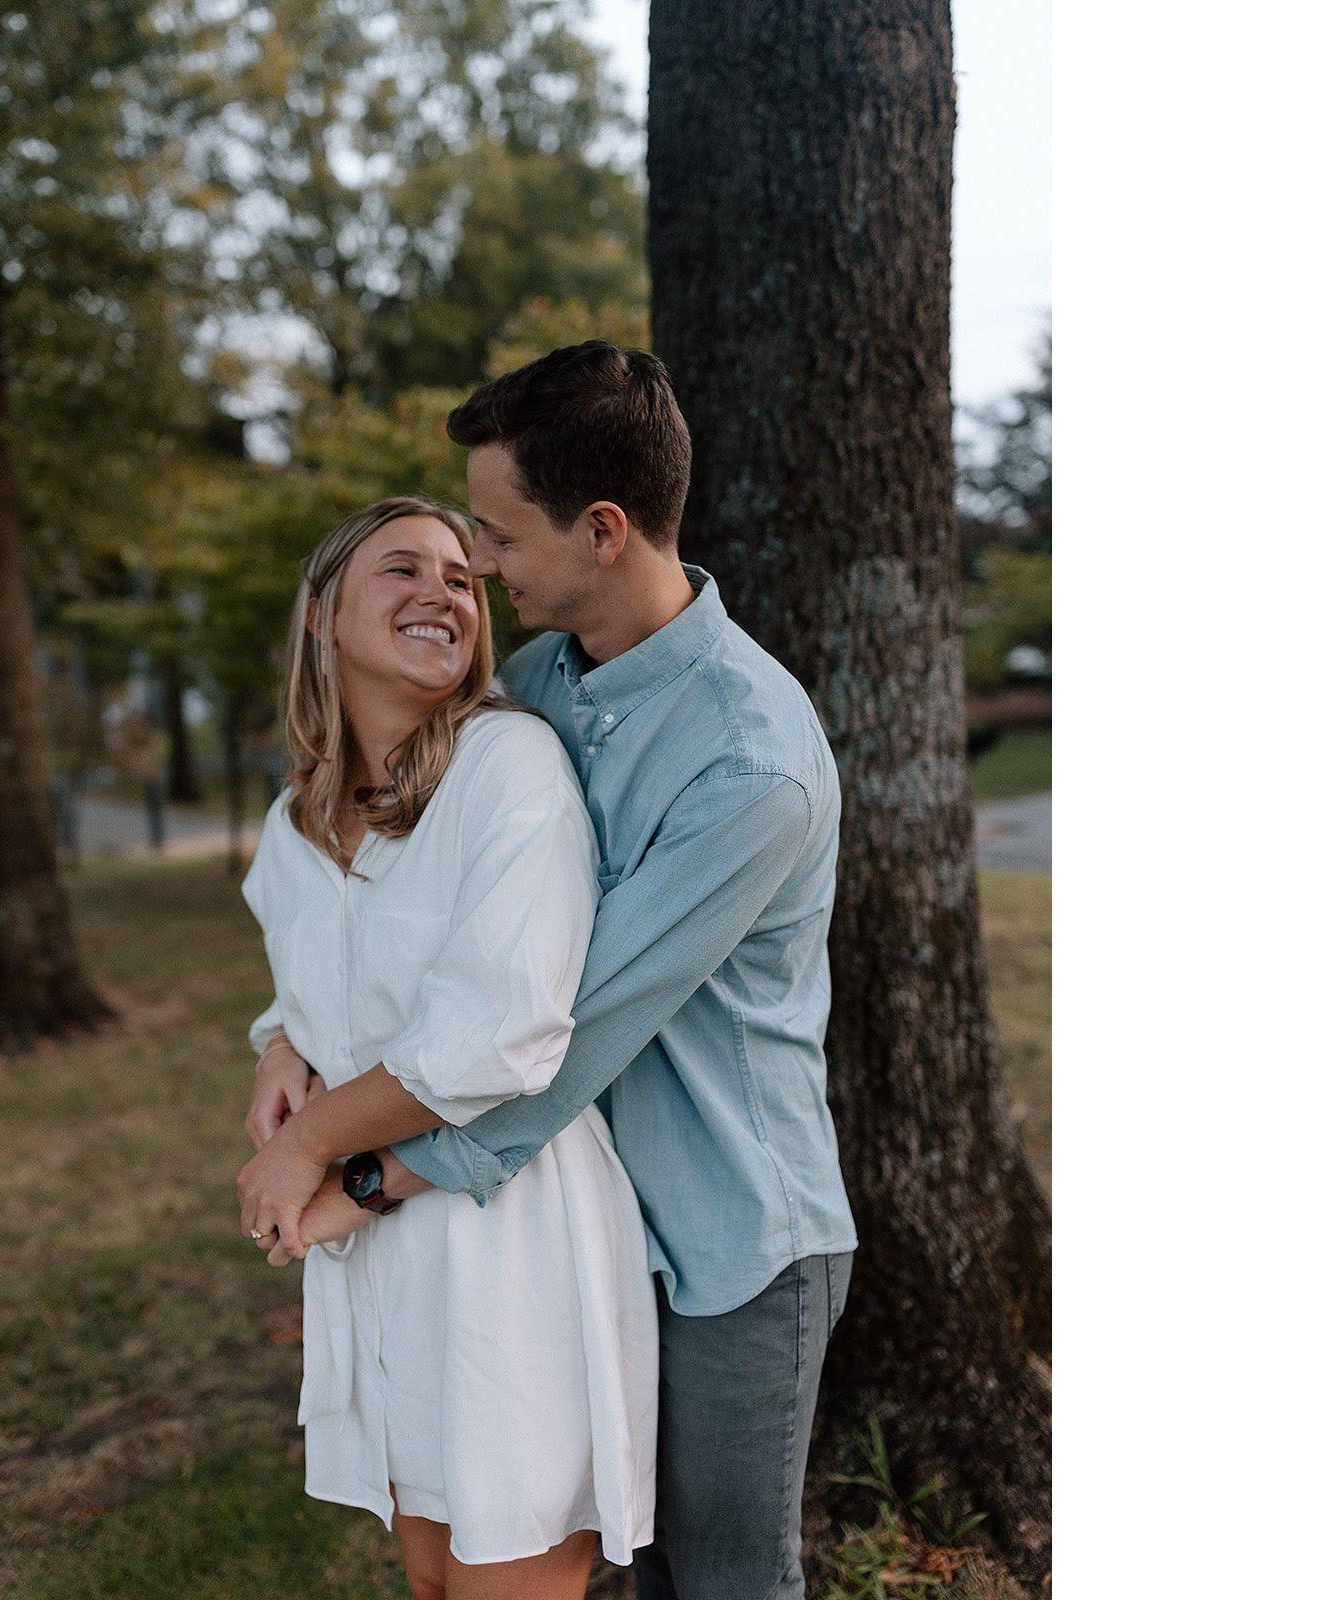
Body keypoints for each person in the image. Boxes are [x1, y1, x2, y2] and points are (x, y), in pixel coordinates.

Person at [241, 343, 859, 1600]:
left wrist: (362, 1170)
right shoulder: (535, 690)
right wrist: (282, 1034)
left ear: (601, 529)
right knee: (596, 1558)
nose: (479, 568)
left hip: (729, 1231)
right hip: (582, 1211)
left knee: (725, 1578)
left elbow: (563, 1029)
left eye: (499, 540)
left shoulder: (751, 766)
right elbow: (402, 906)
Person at [236, 495, 658, 1600]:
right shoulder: (295, 821)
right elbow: (315, 976)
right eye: (401, 570)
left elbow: (499, 1034)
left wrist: (305, 1144)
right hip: (375, 1254)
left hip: (500, 1231)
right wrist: (280, 1042)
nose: (442, 591)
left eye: (462, 578)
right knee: (431, 1579)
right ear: (324, 614)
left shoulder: (505, 765)